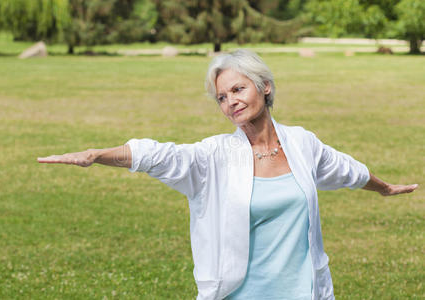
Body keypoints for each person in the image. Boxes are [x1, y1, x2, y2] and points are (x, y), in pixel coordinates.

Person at [37, 49, 418, 300]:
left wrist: (383, 188)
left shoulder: (301, 144)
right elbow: (159, 155)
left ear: (264, 88)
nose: (230, 100)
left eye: (238, 88)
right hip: (241, 293)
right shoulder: (214, 157)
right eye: (222, 96)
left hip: (306, 291)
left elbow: (345, 169)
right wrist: (96, 154)